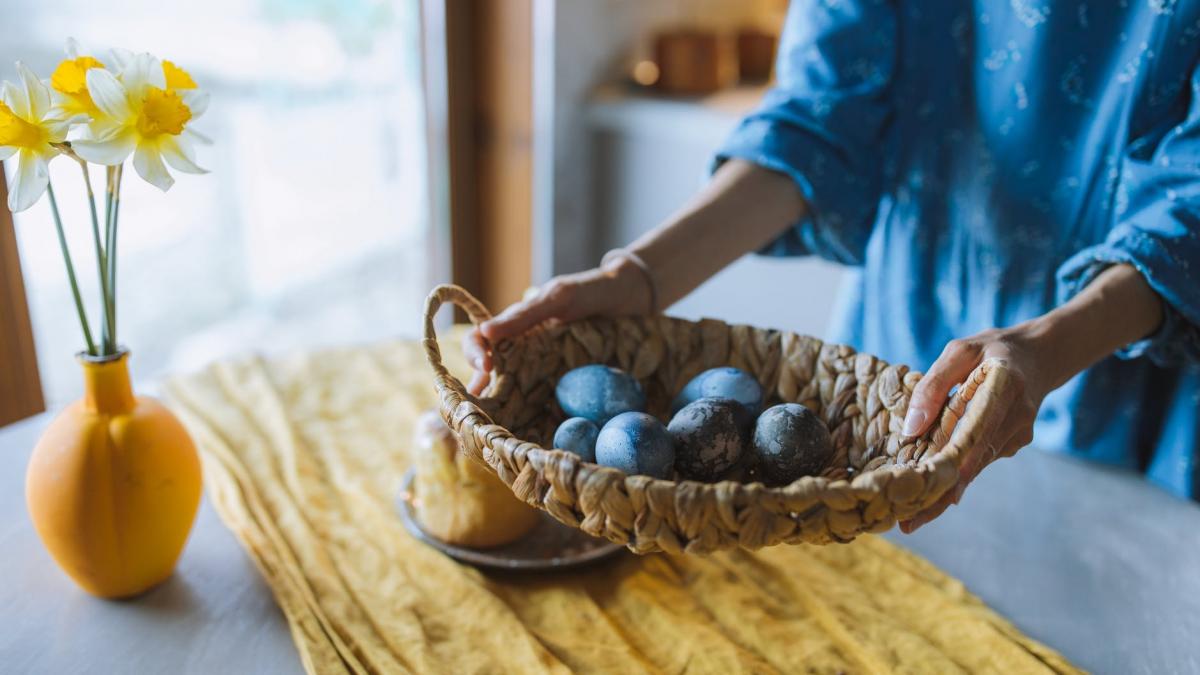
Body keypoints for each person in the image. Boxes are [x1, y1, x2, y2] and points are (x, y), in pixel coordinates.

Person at [465, 2, 1200, 531]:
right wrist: (637, 276)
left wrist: (1051, 345)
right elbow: (819, 121)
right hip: (891, 384)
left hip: (1127, 383)